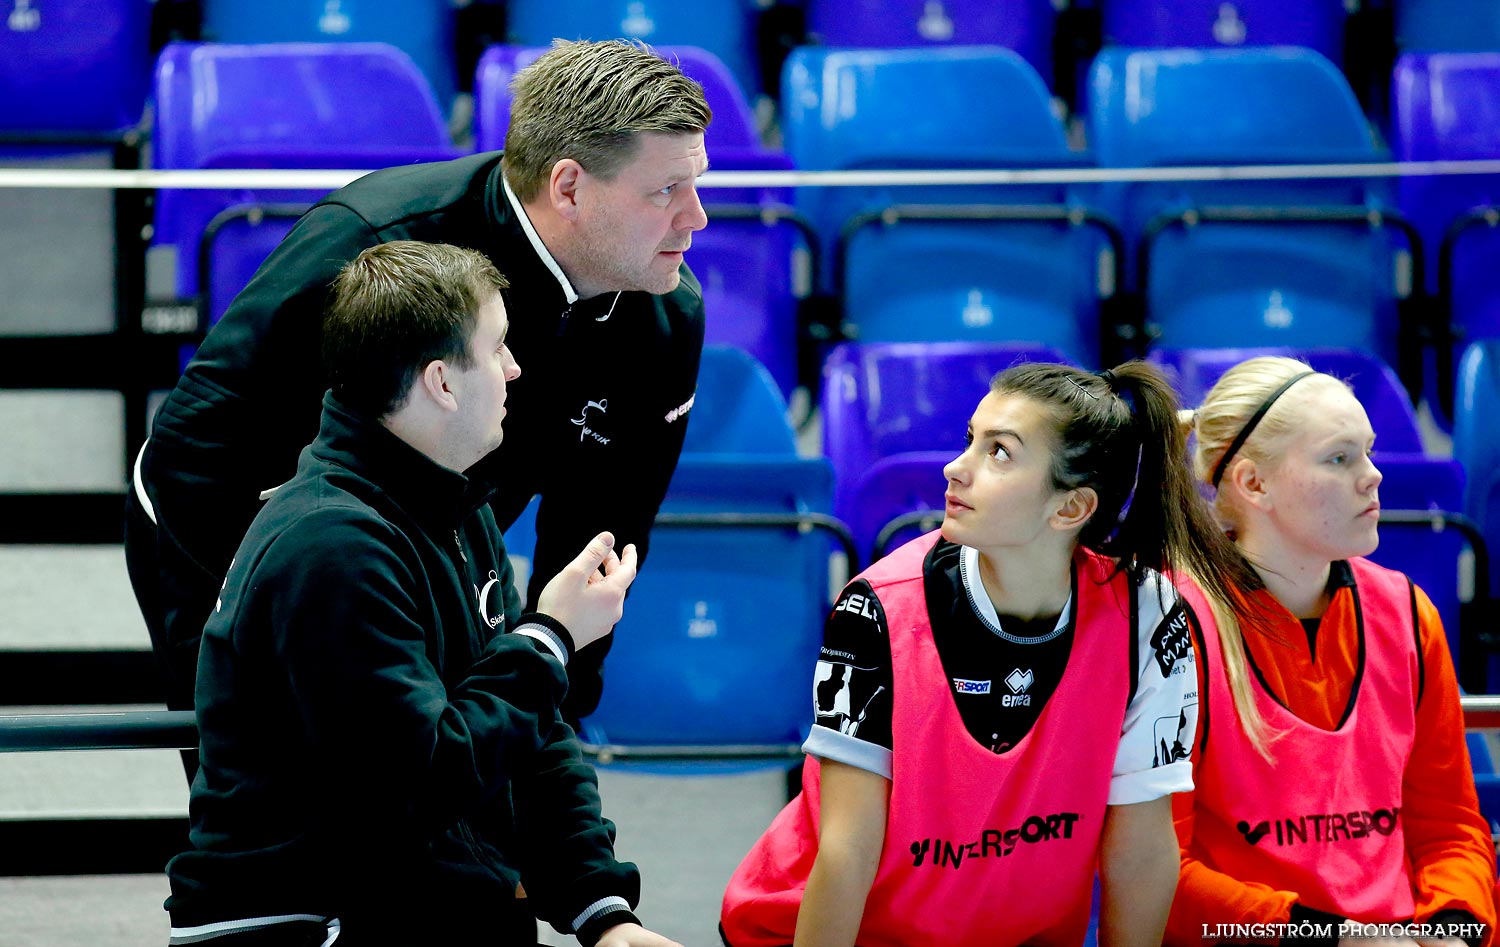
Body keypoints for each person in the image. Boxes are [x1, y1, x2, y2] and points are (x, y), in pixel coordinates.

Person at [125, 39, 712, 748]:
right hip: (239, 530)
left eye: (698, 184)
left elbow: (601, 542)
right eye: (665, 192)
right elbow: (194, 453)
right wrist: (266, 628)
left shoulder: (665, 312)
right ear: (568, 188)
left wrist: (548, 737)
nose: (697, 218)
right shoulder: (374, 246)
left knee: (462, 803)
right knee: (293, 815)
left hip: (443, 540)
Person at [164, 241, 682, 947]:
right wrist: (550, 638)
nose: (514, 369)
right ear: (441, 381)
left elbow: (532, 736)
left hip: (418, 905)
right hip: (309, 923)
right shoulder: (331, 548)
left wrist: (603, 912)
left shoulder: (456, 504)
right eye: (498, 347)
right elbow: (421, 781)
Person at [721, 361, 1262, 947]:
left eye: (999, 452)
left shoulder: (1150, 615)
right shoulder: (873, 609)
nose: (956, 468)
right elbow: (847, 851)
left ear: (1071, 509)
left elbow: (1142, 837)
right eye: (970, 440)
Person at [1165, 356, 1499, 945]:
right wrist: (1331, 937)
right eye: (1340, 459)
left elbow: (1449, 828)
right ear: (1253, 483)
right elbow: (1162, 871)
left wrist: (1456, 927)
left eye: (1367, 453)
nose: (1372, 476)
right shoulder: (1171, 622)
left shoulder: (1406, 611)